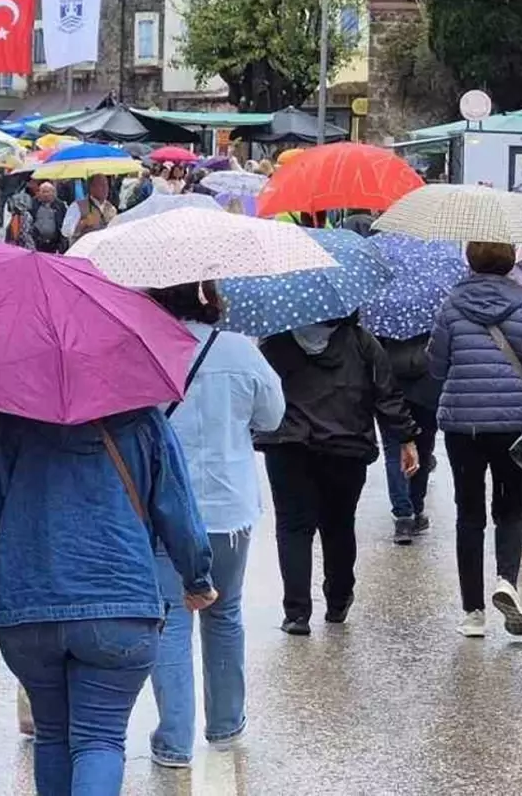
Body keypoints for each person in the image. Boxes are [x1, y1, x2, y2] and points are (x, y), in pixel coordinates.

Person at [0, 409, 216, 795]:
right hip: (121, 609)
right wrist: (197, 578)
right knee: (100, 739)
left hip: (28, 606)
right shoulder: (144, 421)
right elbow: (178, 511)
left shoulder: (15, 420)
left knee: (52, 735)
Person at [145, 282, 285, 768]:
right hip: (229, 509)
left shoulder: (147, 349)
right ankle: (225, 723)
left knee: (170, 623)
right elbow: (273, 414)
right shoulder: (239, 350)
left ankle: (174, 741)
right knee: (224, 613)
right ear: (210, 299)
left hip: (165, 511)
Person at [257, 313, 419, 636]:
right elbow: (386, 394)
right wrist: (406, 436)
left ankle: (297, 612)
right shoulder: (362, 343)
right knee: (339, 524)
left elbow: (259, 393)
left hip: (288, 444)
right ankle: (338, 599)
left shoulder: (276, 343)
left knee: (293, 526)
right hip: (347, 444)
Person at [428, 241, 522, 639]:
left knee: (468, 514)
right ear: (510, 262)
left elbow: (435, 365)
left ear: (470, 260)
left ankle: (472, 612)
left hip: (463, 425)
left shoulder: (451, 305)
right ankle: (507, 582)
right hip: (515, 424)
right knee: (510, 508)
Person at [378, 333, 441, 545]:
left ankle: (403, 516)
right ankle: (417, 507)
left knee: (393, 453)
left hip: (391, 391)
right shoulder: (433, 313)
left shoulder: (382, 314)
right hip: (428, 391)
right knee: (423, 451)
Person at [61, 174, 116, 244]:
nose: (105, 188)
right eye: (101, 185)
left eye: (106, 185)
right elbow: (66, 231)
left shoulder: (111, 208)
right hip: (82, 250)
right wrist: (84, 222)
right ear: (91, 187)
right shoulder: (77, 206)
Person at [30, 182, 67, 253]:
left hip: (54, 244)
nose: (46, 194)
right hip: (37, 243)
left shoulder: (60, 205)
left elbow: (64, 223)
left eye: (48, 192)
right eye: (43, 192)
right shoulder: (32, 204)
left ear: (53, 193)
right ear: (39, 193)